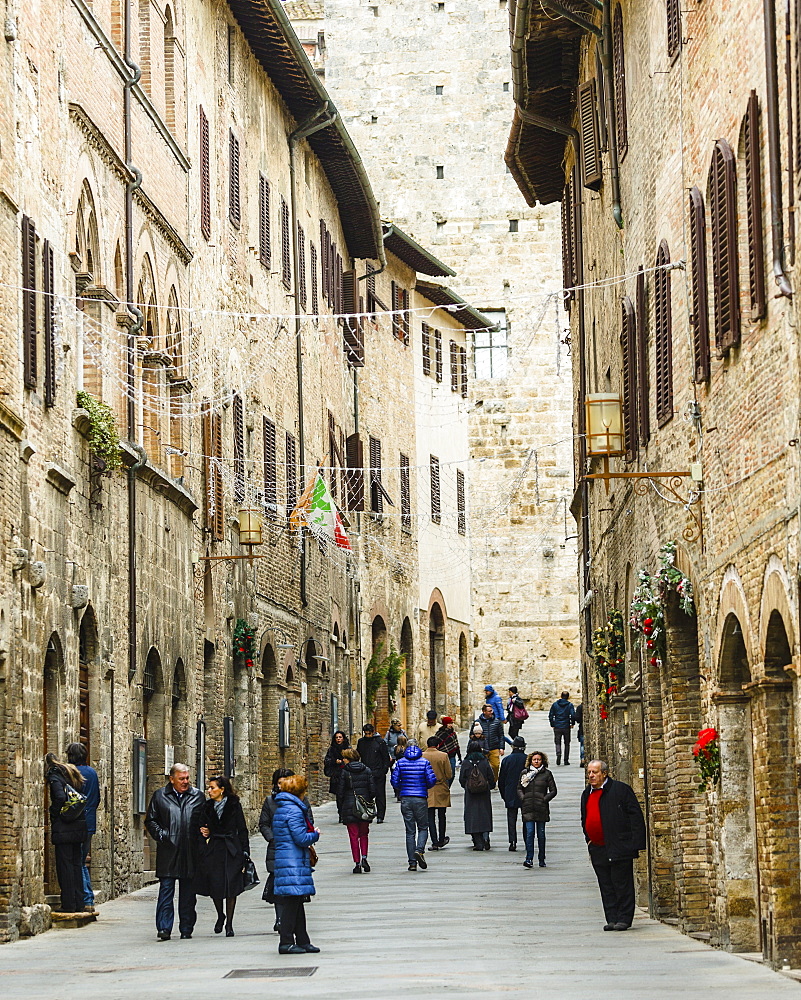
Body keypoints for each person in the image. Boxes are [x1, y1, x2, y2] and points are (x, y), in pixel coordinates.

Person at [581, 760, 646, 931]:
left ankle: (624, 918)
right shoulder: (586, 794)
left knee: (621, 883)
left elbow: (635, 817)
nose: (591, 776)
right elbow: (584, 817)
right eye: (589, 772)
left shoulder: (620, 790)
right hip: (597, 847)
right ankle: (611, 918)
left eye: (594, 772)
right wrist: (588, 838)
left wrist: (635, 844)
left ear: (604, 773)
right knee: (606, 884)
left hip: (619, 845)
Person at [145, 762, 205, 941]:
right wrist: (163, 835)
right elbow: (151, 820)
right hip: (168, 852)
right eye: (181, 779)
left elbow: (204, 819)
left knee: (188, 894)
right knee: (166, 891)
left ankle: (186, 927)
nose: (185, 782)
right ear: (172, 779)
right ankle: (164, 927)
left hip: (190, 851)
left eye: (187, 778)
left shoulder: (197, 797)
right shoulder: (160, 796)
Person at [194, 775, 250, 936]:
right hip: (215, 849)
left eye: (212, 788)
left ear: (222, 789)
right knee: (216, 885)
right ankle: (220, 915)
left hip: (232, 849)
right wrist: (205, 834)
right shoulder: (207, 806)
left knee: (231, 886)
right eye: (209, 788)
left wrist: (245, 851)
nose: (209, 791)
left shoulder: (234, 805)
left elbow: (242, 828)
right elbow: (201, 827)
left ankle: (230, 924)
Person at [272, 773, 321, 954]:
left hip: (288, 858)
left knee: (297, 900)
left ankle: (302, 939)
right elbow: (300, 837)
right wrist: (315, 834)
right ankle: (285, 941)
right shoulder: (293, 810)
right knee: (292, 903)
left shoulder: (284, 807)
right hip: (292, 860)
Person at [45, 752, 87, 913]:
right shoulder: (71, 772)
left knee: (65, 866)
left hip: (65, 827)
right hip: (78, 825)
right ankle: (79, 903)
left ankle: (69, 904)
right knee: (76, 864)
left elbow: (60, 797)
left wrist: (55, 815)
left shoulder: (55, 775)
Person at [259, 767, 296, 933]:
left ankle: (292, 919)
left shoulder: (301, 800)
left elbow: (308, 820)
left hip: (295, 849)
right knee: (279, 886)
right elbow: (264, 824)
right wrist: (272, 838)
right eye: (280, 783)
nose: (282, 786)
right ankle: (280, 919)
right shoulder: (270, 801)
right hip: (277, 849)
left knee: (293, 888)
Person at [390, 741, 437, 871]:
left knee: (410, 831)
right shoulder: (424, 762)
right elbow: (432, 780)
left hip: (406, 798)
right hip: (420, 798)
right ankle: (419, 850)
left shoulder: (400, 762)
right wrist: (424, 787)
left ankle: (412, 863)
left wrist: (402, 789)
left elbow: (394, 781)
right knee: (423, 827)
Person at [66, 742, 99, 910]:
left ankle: (86, 898)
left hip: (77, 822)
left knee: (77, 861)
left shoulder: (72, 773)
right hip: (90, 822)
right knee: (81, 860)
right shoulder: (92, 773)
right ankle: (87, 898)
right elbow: (97, 798)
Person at [336, 748, 376, 873]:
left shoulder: (345, 772)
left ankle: (357, 863)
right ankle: (364, 856)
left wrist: (342, 807)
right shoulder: (367, 770)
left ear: (348, 759)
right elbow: (373, 790)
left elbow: (340, 792)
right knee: (364, 834)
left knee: (353, 836)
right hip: (364, 807)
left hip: (349, 806)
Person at [518, 750, 557, 868]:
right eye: (534, 759)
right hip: (528, 807)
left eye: (538, 759)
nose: (536, 761)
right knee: (529, 833)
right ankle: (529, 858)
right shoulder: (525, 773)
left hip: (541, 807)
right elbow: (519, 788)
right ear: (530, 761)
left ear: (542, 761)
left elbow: (553, 790)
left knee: (541, 834)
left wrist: (544, 799)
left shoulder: (547, 774)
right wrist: (523, 798)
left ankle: (541, 858)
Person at [459, 739, 496, 850]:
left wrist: (467, 786)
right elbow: (491, 777)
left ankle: (477, 842)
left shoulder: (466, 762)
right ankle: (485, 837)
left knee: (472, 816)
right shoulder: (484, 761)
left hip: (471, 794)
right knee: (485, 815)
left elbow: (462, 779)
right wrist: (490, 786)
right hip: (484, 793)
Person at [356, 723, 391, 823]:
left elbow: (385, 757)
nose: (367, 736)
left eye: (369, 734)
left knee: (380, 795)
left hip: (378, 772)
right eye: (366, 734)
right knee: (366, 795)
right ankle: (368, 813)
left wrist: (384, 770)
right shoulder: (361, 742)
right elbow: (359, 755)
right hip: (365, 772)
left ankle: (380, 815)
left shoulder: (380, 742)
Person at [497, 736, 527, 850]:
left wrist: (504, 795)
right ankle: (527, 840)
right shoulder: (527, 759)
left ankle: (512, 841)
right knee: (526, 818)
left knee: (511, 818)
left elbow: (501, 780)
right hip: (525, 793)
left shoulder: (507, 760)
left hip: (510, 792)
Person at [422, 735, 452, 849]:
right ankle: (441, 838)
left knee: (430, 817)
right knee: (441, 815)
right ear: (438, 745)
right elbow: (449, 774)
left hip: (427, 788)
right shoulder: (443, 756)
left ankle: (434, 841)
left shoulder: (422, 756)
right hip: (441, 788)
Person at [476, 703, 509, 781]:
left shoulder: (497, 722)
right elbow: (472, 735)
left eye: (491, 711)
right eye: (489, 711)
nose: (491, 712)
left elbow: (501, 735)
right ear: (484, 711)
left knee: (495, 765)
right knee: (482, 766)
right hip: (482, 748)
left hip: (494, 747)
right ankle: (484, 780)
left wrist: (501, 747)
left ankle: (494, 781)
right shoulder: (478, 722)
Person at [548, 690, 576, 765]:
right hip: (566, 725)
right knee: (567, 743)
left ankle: (558, 753)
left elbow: (551, 715)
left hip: (557, 725)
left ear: (561, 696)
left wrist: (552, 724)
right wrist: (572, 723)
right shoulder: (570, 705)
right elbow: (573, 715)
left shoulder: (555, 705)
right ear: (568, 697)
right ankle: (566, 760)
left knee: (557, 742)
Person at [433, 716, 462, 786]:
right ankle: (444, 787)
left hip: (452, 756)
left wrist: (459, 756)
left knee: (452, 774)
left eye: (451, 723)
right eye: (449, 723)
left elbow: (456, 745)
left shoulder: (453, 733)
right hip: (442, 756)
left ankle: (447, 787)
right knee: (442, 773)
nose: (451, 725)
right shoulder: (439, 734)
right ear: (445, 724)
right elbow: (437, 744)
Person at [323, 730, 350, 798]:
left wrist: (343, 762)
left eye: (340, 737)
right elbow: (327, 760)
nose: (338, 739)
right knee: (338, 795)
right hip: (336, 775)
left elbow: (352, 760)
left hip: (346, 773)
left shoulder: (348, 749)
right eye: (337, 737)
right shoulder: (332, 749)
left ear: (343, 738)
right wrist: (334, 761)